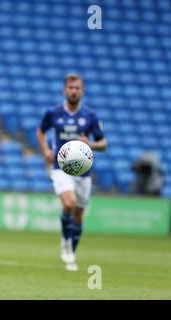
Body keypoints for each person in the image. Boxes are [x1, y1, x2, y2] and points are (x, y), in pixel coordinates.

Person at [36, 74, 107, 272]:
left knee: (79, 214)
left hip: (84, 172)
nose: (74, 91)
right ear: (64, 90)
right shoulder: (53, 113)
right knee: (69, 203)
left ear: (82, 91)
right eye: (71, 87)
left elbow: (104, 144)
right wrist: (46, 151)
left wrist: (90, 143)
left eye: (77, 88)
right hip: (61, 167)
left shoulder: (90, 116)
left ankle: (71, 251)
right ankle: (65, 240)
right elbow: (40, 132)